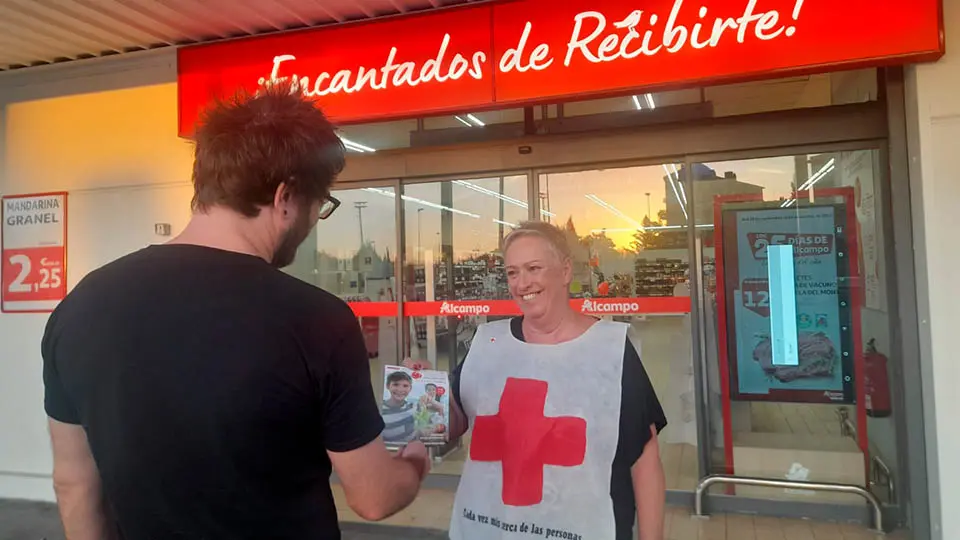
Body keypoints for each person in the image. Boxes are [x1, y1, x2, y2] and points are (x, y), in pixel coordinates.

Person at [41, 83, 430, 540]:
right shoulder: (316, 319)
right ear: (286, 198)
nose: (310, 224)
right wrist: (416, 462)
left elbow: (74, 485)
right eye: (317, 206)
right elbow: (374, 496)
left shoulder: (80, 307)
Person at [442, 220, 667, 540]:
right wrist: (424, 391)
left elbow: (644, 459)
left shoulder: (610, 350)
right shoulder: (487, 345)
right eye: (512, 272)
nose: (522, 283)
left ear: (564, 271)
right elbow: (452, 422)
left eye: (533, 268)